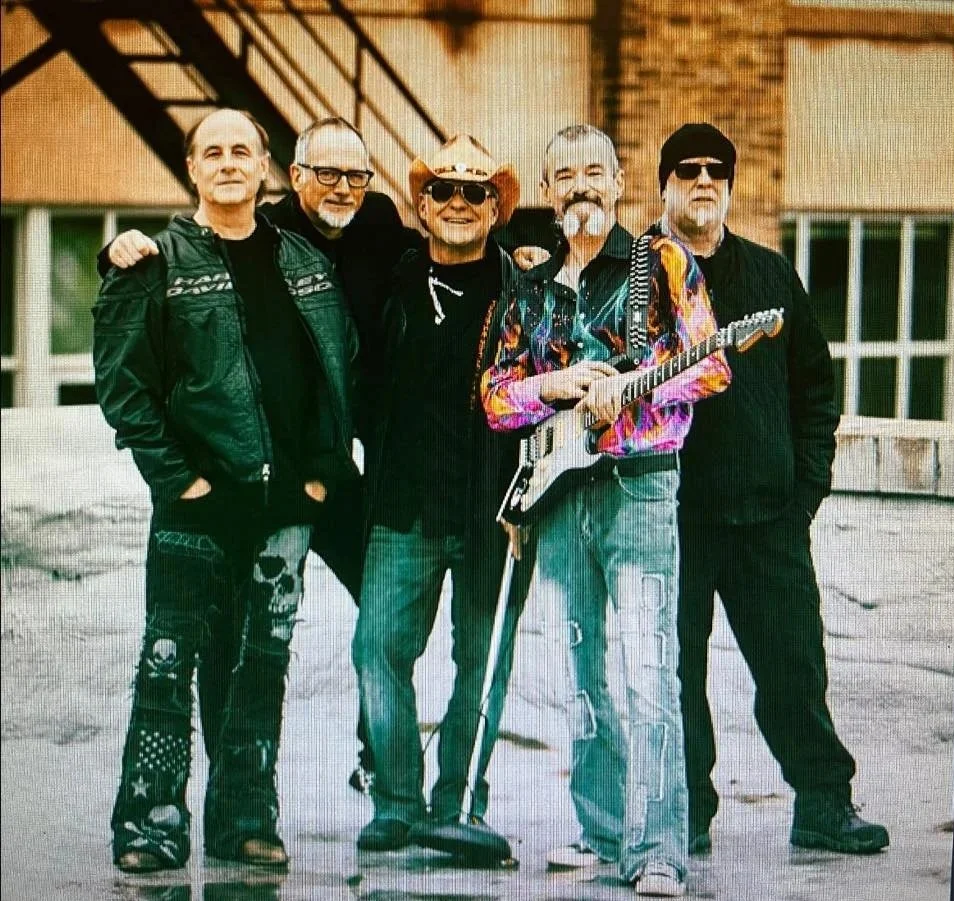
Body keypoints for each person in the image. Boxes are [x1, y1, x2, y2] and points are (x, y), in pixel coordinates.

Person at [102, 115, 420, 794]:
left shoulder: (365, 230)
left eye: (354, 174)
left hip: (321, 469)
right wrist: (118, 250)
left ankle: (369, 758)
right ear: (293, 175)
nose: (340, 186)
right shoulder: (235, 242)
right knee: (209, 642)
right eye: (324, 172)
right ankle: (206, 800)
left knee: (379, 600)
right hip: (230, 480)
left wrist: (523, 255)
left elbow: (444, 256)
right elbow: (136, 365)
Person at [481, 124, 731, 897]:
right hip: (559, 494)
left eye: (595, 171)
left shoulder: (662, 263)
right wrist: (549, 389)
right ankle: (598, 832)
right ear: (550, 192)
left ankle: (658, 848)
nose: (581, 186)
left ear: (620, 182)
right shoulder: (530, 285)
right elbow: (493, 397)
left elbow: (714, 363)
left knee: (648, 668)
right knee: (580, 672)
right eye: (565, 175)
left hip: (642, 484)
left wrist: (642, 381)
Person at [649, 122, 890, 856]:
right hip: (671, 517)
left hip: (766, 519)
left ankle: (823, 801)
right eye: (686, 169)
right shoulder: (637, 276)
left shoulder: (771, 273)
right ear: (663, 183)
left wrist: (804, 490)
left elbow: (816, 388)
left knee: (793, 663)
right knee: (674, 674)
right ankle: (684, 811)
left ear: (729, 183)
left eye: (715, 170)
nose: (702, 181)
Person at [351, 134, 534, 855]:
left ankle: (458, 800)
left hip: (496, 512)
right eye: (444, 191)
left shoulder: (528, 290)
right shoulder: (389, 281)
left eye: (475, 192)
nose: (458, 203)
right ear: (421, 205)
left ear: (497, 209)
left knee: (482, 663)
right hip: (403, 506)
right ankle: (396, 799)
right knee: (377, 650)